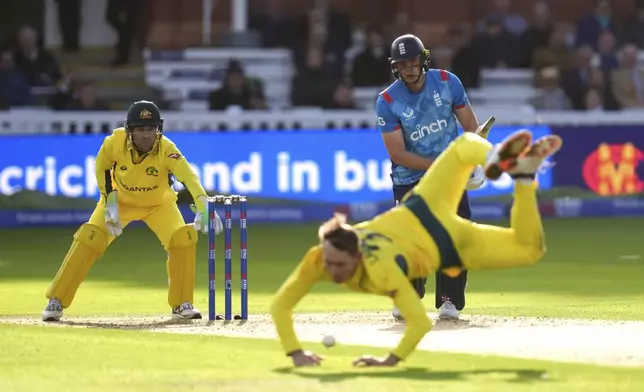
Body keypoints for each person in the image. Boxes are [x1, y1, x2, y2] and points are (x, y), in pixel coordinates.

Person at [270, 125, 563, 367]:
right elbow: (280, 304)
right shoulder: (319, 258)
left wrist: (390, 360)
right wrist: (295, 352)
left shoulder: (380, 269)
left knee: (461, 146)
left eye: (339, 265)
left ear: (357, 255)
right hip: (447, 239)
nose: (332, 271)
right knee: (530, 250)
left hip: (426, 213)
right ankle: (524, 178)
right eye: (329, 262)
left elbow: (420, 322)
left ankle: (498, 159)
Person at [41, 100, 223, 322]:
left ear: (158, 129)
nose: (146, 135)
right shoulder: (114, 143)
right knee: (90, 238)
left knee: (183, 239)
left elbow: (189, 177)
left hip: (159, 205)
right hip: (120, 204)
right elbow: (102, 168)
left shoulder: (167, 149)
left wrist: (205, 207)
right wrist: (110, 204)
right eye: (140, 129)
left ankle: (181, 303)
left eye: (150, 129)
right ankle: (56, 300)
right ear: (130, 130)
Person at [375, 33, 486, 320]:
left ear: (423, 59)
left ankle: (449, 301)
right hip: (410, 177)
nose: (408, 69)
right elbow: (398, 153)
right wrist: (441, 165)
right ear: (395, 67)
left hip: (450, 175)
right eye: (402, 64)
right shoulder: (387, 100)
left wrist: (473, 160)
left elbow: (471, 127)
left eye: (412, 62)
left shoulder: (448, 82)